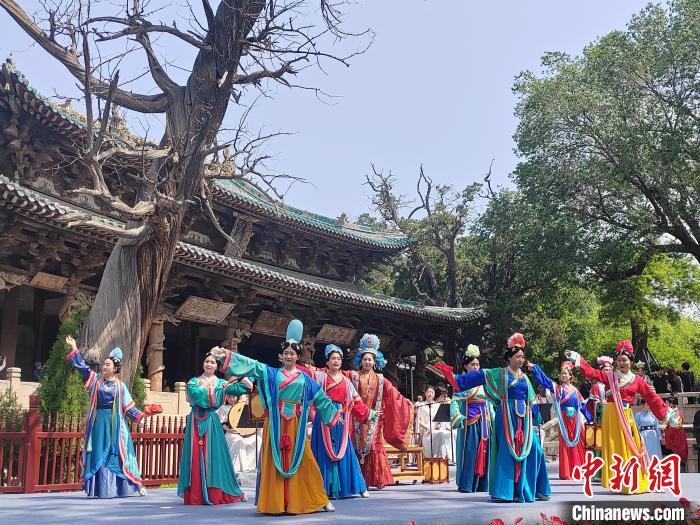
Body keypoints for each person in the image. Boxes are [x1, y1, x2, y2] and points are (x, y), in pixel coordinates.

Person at [211, 320, 340, 514]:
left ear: (297, 356)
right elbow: (251, 365)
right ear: (281, 356)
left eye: (292, 353)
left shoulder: (306, 379)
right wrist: (226, 355)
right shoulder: (271, 374)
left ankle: (319, 498)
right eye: (286, 353)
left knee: (306, 459)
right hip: (275, 423)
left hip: (296, 424)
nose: (289, 356)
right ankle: (276, 502)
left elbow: (321, 398)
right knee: (273, 459)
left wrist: (334, 415)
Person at [567, 340, 682, 494]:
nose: (621, 363)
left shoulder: (637, 380)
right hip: (612, 415)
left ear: (631, 362)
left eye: (625, 360)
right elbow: (592, 372)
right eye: (619, 360)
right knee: (616, 447)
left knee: (633, 445)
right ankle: (619, 481)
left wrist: (668, 415)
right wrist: (578, 359)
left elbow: (652, 397)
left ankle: (633, 479)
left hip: (626, 414)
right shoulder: (610, 376)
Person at [450, 333, 550, 503]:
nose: (521, 360)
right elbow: (480, 376)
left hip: (523, 418)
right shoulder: (500, 374)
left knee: (535, 448)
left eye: (522, 357)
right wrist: (456, 379)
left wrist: (537, 415)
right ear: (509, 358)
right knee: (506, 451)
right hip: (505, 415)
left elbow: (532, 398)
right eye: (517, 357)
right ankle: (505, 491)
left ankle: (536, 488)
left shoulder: (525, 377)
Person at [65, 335, 161, 498]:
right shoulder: (95, 381)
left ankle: (132, 485)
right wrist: (74, 348)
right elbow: (82, 368)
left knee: (119, 454)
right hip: (98, 423)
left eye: (107, 364)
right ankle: (100, 488)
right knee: (98, 452)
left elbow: (129, 409)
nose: (104, 366)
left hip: (116, 424)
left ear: (115, 368)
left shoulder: (121, 386)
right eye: (103, 364)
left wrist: (144, 414)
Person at [343, 334, 414, 490]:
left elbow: (395, 396)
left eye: (370, 359)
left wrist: (406, 403)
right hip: (355, 419)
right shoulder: (351, 376)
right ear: (360, 361)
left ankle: (375, 479)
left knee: (374, 446)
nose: (367, 362)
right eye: (365, 359)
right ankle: (356, 478)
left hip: (374, 420)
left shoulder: (382, 379)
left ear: (375, 362)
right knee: (355, 446)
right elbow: (337, 377)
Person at [178, 353, 249, 505]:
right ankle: (195, 494)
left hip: (212, 420)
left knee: (213, 455)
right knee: (194, 455)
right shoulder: (193, 382)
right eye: (206, 361)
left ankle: (214, 493)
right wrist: (217, 390)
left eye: (212, 362)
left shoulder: (222, 383)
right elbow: (196, 395)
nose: (209, 364)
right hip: (195, 421)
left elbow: (240, 388)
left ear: (217, 366)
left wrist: (242, 373)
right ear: (203, 364)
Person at [308, 344, 377, 500]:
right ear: (327, 362)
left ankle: (358, 486)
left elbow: (356, 402)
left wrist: (368, 413)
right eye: (333, 358)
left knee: (346, 452)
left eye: (339, 358)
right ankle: (323, 488)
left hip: (340, 418)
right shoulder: (319, 376)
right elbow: (305, 375)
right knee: (323, 452)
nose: (336, 361)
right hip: (324, 418)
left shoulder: (346, 381)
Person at [529, 361, 590, 480]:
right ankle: (567, 471)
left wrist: (589, 418)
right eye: (562, 374)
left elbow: (582, 406)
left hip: (576, 419)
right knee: (566, 444)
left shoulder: (576, 391)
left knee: (579, 442)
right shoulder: (558, 389)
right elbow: (545, 380)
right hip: (564, 419)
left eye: (566, 374)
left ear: (570, 376)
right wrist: (535, 368)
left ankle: (579, 468)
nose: (563, 376)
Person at [448, 344, 490, 493]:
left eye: (478, 364)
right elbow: (455, 400)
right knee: (471, 451)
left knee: (485, 451)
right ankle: (467, 484)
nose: (476, 367)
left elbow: (491, 400)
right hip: (470, 420)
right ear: (465, 366)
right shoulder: (462, 382)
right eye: (473, 364)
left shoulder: (485, 381)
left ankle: (483, 484)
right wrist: (458, 416)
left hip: (485, 420)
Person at [217, 391, 260, 474]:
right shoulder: (223, 408)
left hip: (246, 432)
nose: (232, 399)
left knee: (258, 439)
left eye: (234, 397)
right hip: (232, 432)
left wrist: (253, 430)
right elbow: (221, 423)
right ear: (226, 397)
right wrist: (228, 430)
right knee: (238, 440)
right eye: (230, 397)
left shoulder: (243, 406)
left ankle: (252, 466)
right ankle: (237, 469)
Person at [417, 386, 452, 460]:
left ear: (434, 394)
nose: (430, 394)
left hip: (436, 428)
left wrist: (439, 425)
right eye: (428, 392)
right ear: (425, 393)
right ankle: (436, 457)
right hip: (426, 429)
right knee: (440, 434)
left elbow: (441, 419)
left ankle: (443, 457)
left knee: (447, 434)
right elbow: (418, 420)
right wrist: (426, 427)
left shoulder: (437, 405)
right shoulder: (421, 406)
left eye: (432, 392)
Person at [664, 397, 689, 470]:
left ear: (671, 404)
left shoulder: (673, 412)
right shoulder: (676, 411)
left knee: (676, 454)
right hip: (677, 435)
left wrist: (667, 433)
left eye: (667, 403)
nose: (665, 404)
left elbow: (673, 425)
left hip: (676, 435)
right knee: (678, 455)